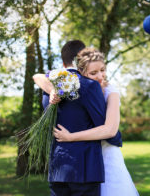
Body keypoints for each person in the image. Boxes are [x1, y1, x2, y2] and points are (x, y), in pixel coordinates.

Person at [33, 47, 138, 196]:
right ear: (81, 72)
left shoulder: (111, 91)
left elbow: (110, 130)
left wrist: (71, 136)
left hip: (103, 154)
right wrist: (52, 90)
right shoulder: (75, 86)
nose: (100, 76)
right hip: (86, 161)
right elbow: (37, 76)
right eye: (93, 73)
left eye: (103, 70)